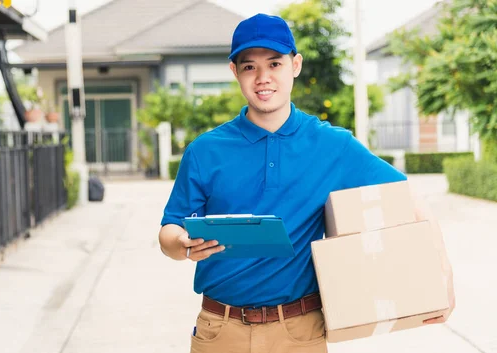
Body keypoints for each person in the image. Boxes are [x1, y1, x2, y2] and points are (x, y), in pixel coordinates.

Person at [158, 13, 455, 353]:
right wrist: (183, 244)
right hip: (220, 332)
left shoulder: (333, 146)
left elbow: (410, 198)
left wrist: (444, 276)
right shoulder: (204, 151)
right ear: (234, 72)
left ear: (295, 65)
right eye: (249, 67)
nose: (263, 78)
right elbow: (168, 232)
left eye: (274, 64)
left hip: (300, 333)